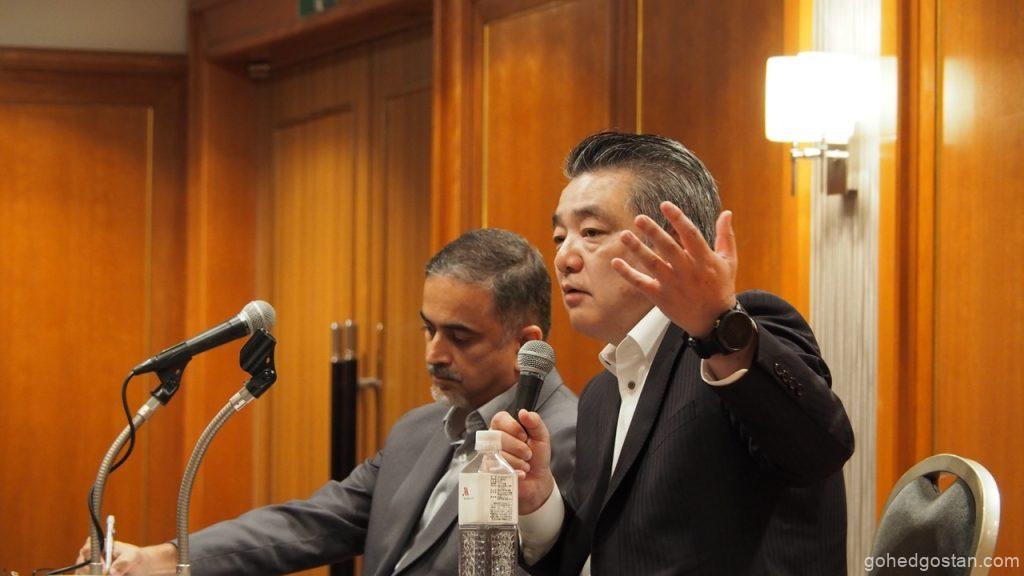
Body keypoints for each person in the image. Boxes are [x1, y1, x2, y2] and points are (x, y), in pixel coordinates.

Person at [81, 228, 578, 576]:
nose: (433, 354)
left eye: (459, 337)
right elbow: (315, 522)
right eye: (428, 329)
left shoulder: (571, 437)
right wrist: (164, 560)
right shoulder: (418, 430)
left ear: (525, 342)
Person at [492, 132, 854, 575]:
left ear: (672, 244)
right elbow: (601, 558)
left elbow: (820, 449)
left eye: (591, 232)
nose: (564, 258)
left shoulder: (741, 335)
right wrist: (538, 500)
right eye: (559, 236)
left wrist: (719, 324)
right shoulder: (600, 397)